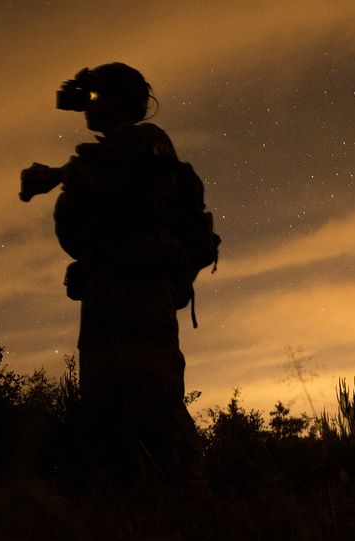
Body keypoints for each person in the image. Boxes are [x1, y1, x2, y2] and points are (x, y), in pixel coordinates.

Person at [19, 63, 216, 480]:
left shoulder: (149, 142)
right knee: (103, 401)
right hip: (105, 285)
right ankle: (119, 499)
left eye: (96, 97)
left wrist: (57, 176)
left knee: (153, 392)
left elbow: (119, 174)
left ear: (122, 100)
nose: (88, 106)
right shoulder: (107, 155)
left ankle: (183, 494)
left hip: (141, 285)